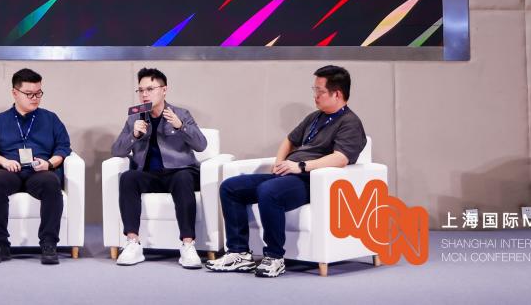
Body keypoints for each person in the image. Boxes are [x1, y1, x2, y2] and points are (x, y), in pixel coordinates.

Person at [207, 65, 367, 278]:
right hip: (288, 175)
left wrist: (300, 166)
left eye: (319, 91)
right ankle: (239, 253)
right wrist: (279, 163)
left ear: (337, 94)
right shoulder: (315, 117)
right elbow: (290, 140)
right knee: (231, 187)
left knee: (268, 191)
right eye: (314, 90)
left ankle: (274, 257)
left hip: (311, 181)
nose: (315, 95)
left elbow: (340, 158)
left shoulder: (350, 123)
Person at [111, 68, 208, 269]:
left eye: (150, 89)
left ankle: (188, 245)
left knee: (183, 178)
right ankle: (132, 243)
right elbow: (117, 150)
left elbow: (201, 145)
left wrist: (181, 126)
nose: (144, 94)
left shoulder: (181, 113)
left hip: (179, 171)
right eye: (141, 90)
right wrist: (133, 136)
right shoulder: (135, 116)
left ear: (164, 90)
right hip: (149, 175)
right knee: (128, 178)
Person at [0, 68, 73, 265]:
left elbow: (63, 147)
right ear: (15, 93)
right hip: (10, 170)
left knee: (51, 183)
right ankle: (0, 244)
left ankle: (49, 244)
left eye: (38, 93)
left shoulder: (51, 119)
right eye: (29, 94)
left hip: (40, 171)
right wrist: (3, 161)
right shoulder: (0, 120)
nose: (35, 98)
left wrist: (49, 163)